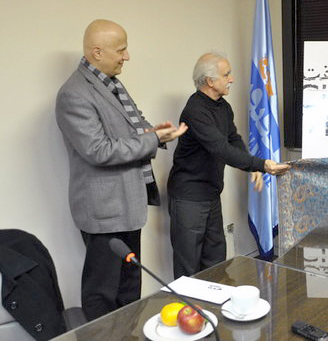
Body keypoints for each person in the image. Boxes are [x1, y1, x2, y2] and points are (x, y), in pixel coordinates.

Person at [55, 19, 187, 320]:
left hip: (127, 203)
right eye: (121, 50)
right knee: (102, 293)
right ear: (97, 52)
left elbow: (131, 127)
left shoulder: (111, 84)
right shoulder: (74, 94)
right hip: (104, 212)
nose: (127, 56)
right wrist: (152, 139)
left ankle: (128, 334)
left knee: (129, 286)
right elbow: (98, 150)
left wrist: (155, 133)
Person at [167, 53, 290, 278]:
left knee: (215, 260)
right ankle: (188, 303)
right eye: (226, 75)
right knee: (188, 266)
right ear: (210, 81)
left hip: (211, 193)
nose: (231, 79)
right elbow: (220, 148)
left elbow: (232, 139)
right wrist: (261, 164)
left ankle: (214, 301)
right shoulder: (195, 110)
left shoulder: (223, 106)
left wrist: (252, 166)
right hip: (189, 197)